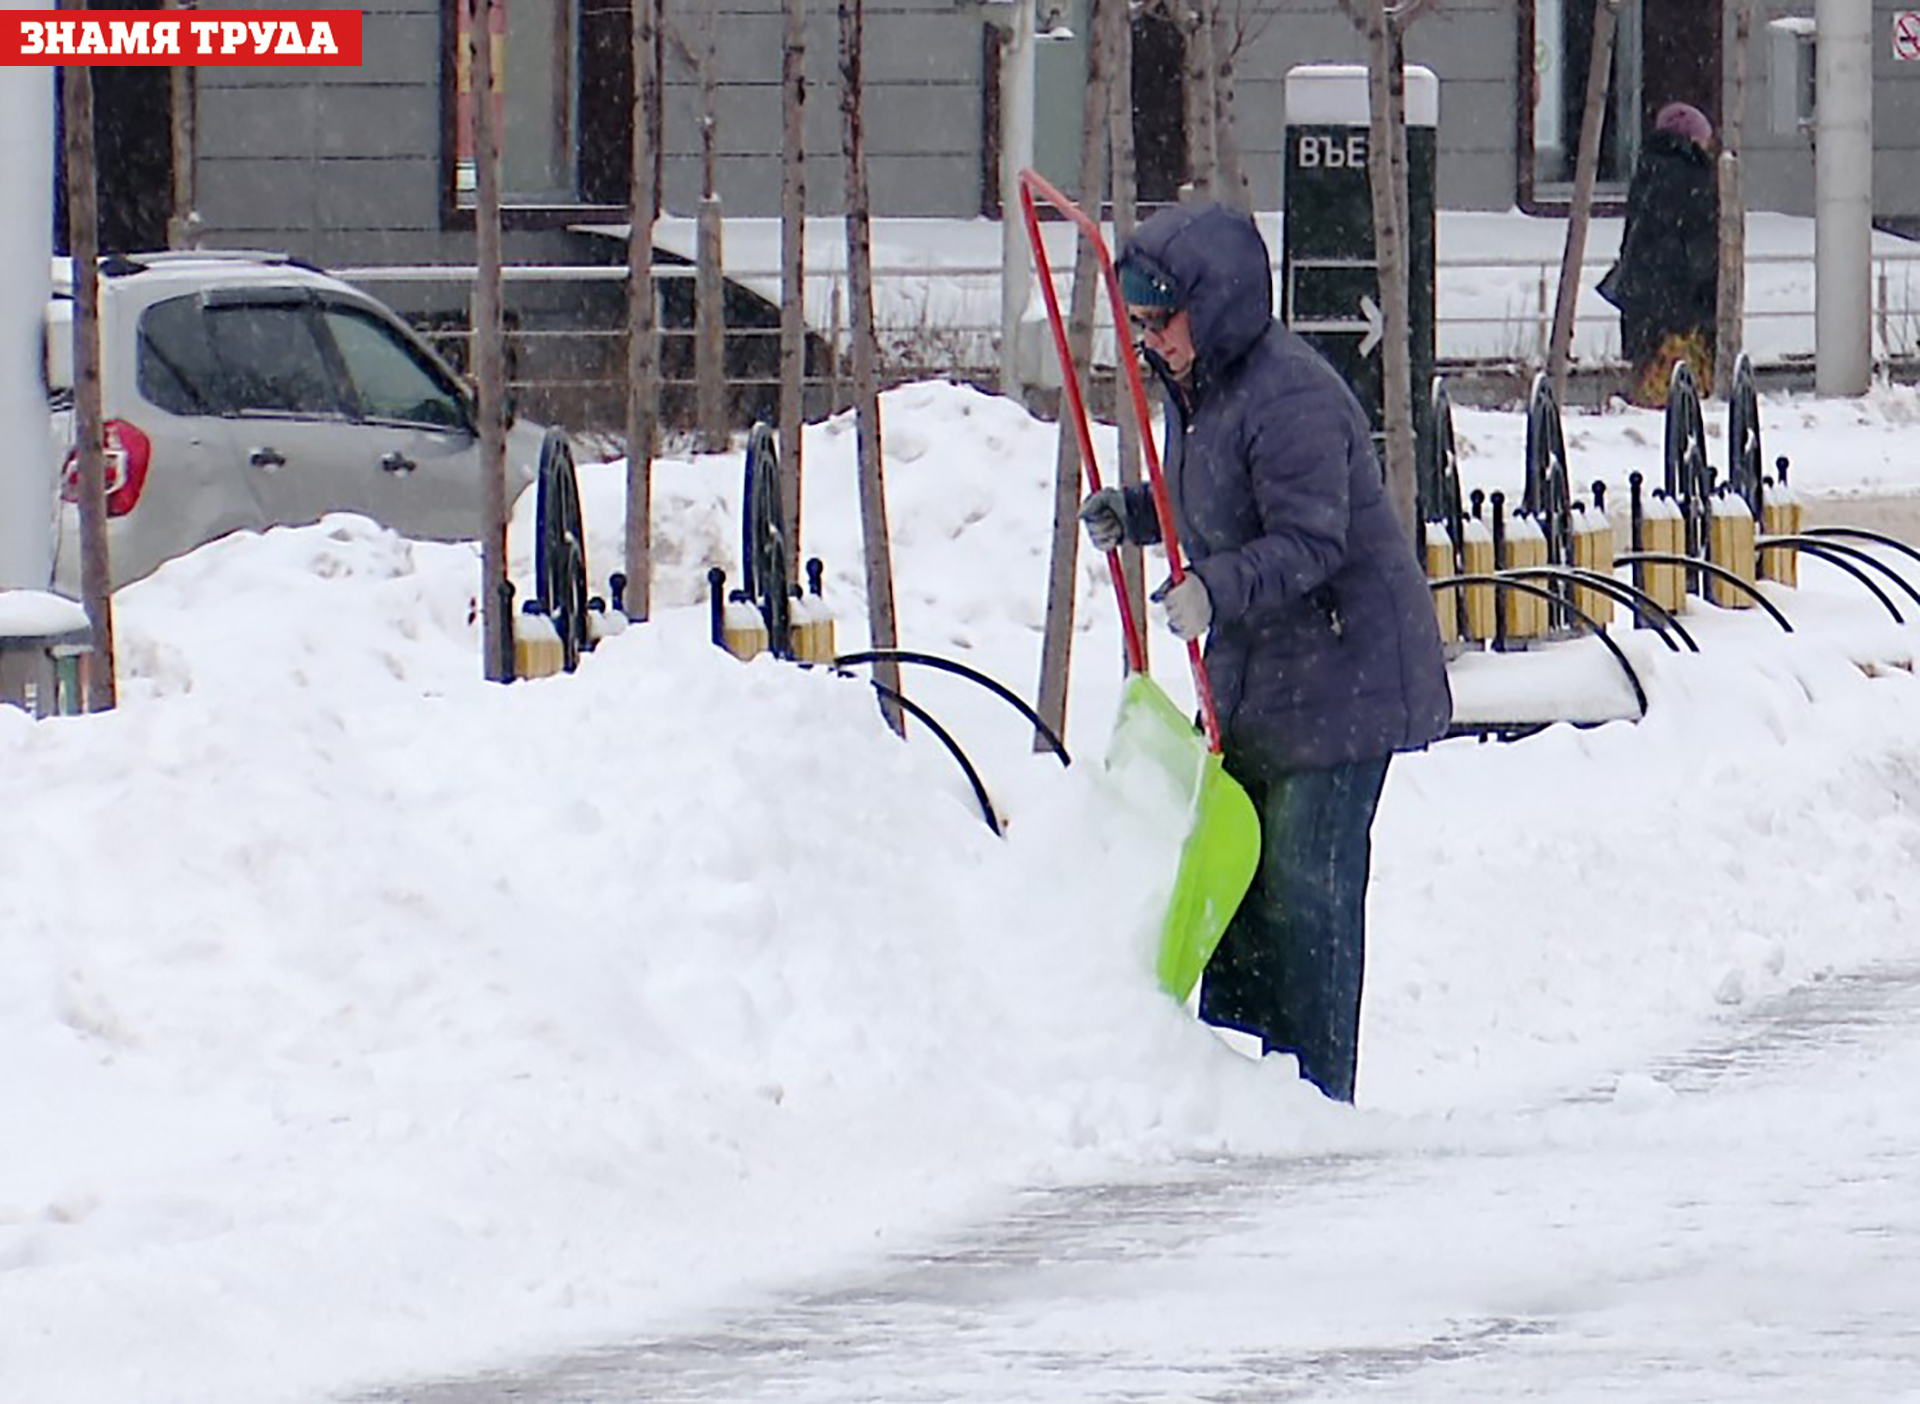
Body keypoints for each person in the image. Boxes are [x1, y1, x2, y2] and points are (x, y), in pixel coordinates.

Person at [1079, 201, 1452, 1103]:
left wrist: (1216, 591)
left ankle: (1319, 1099)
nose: (1148, 339)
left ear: (1212, 308)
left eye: (1159, 320)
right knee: (1241, 890)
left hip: (1345, 679)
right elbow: (1207, 500)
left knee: (1304, 885)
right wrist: (1137, 514)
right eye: (1136, 321)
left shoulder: (1288, 396)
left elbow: (1311, 540)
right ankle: (1246, 1092)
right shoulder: (1204, 394)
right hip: (1274, 681)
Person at [1598, 101, 1720, 408]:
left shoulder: (1648, 169)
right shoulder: (1692, 177)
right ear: (1692, 139)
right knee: (1681, 391)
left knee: (1648, 378)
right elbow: (1698, 247)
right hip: (1679, 301)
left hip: (1642, 296)